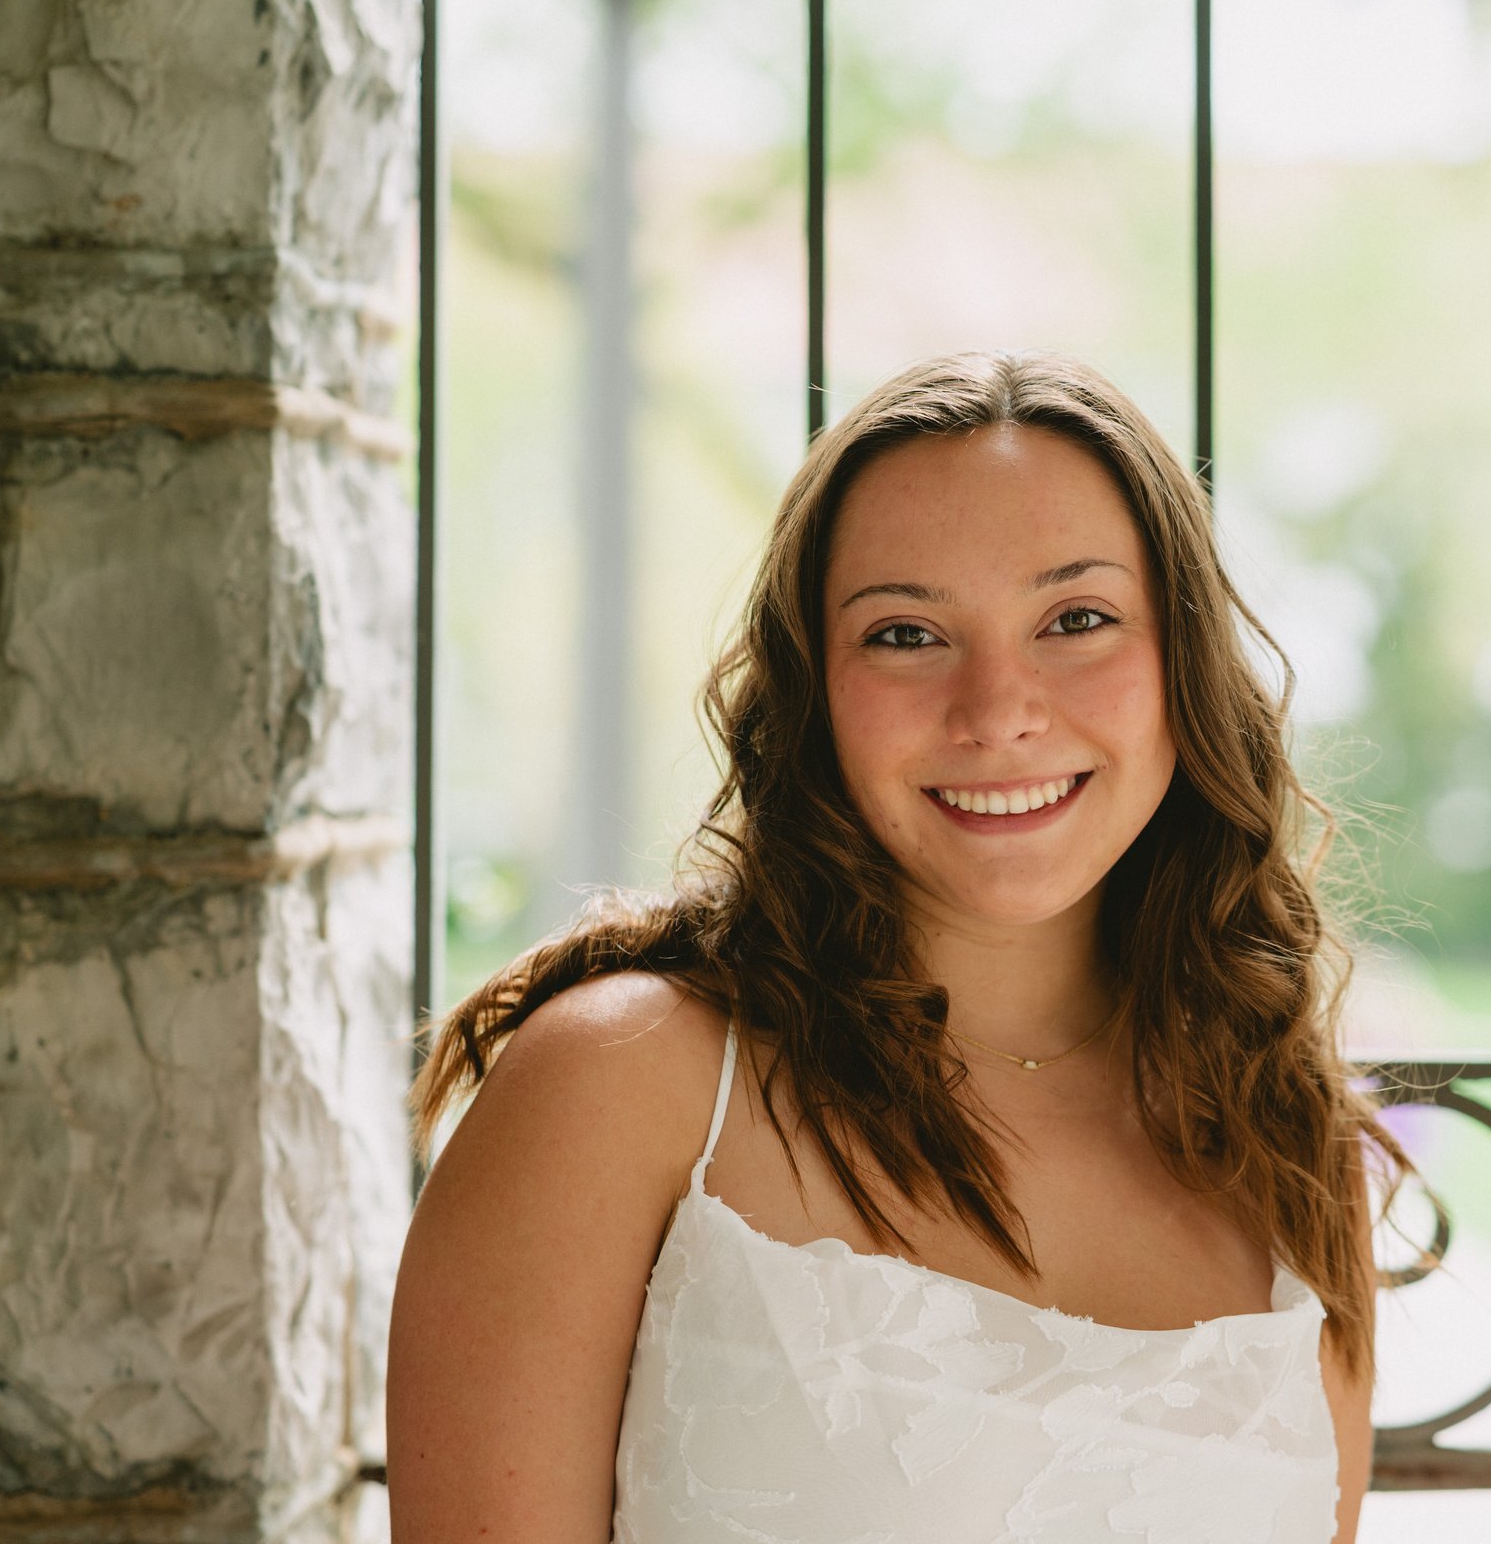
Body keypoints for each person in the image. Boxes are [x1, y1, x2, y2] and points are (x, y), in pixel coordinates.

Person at [386, 350, 1417, 1543]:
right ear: (809, 685)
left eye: (1075, 619)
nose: (998, 709)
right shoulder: (623, 1085)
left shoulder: (1287, 1146)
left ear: (1184, 662)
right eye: (905, 634)